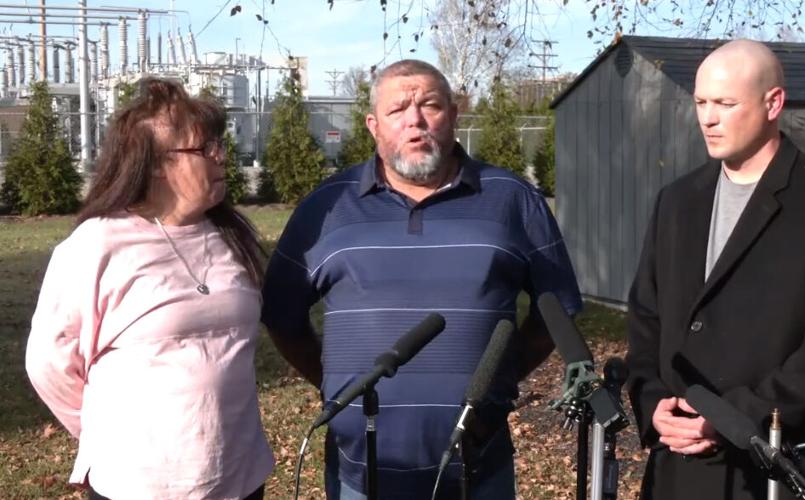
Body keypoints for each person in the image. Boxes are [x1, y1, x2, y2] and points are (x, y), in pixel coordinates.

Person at [262, 59, 582, 499]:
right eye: (398, 110)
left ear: (453, 115)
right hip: (362, 473)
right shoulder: (327, 205)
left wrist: (495, 379)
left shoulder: (512, 198)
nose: (415, 120)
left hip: (478, 470)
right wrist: (340, 386)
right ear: (374, 125)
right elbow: (282, 316)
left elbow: (556, 312)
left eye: (429, 104)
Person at [626, 39, 805, 499]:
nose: (708, 118)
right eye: (701, 102)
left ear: (773, 103)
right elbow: (646, 318)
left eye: (725, 103)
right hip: (678, 469)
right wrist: (651, 401)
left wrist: (736, 415)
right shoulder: (676, 202)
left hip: (776, 464)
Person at [25, 77, 274, 499]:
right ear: (157, 162)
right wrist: (105, 432)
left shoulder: (230, 236)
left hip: (239, 476)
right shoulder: (97, 244)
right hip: (138, 483)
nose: (221, 158)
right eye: (205, 149)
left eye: (220, 145)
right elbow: (49, 363)